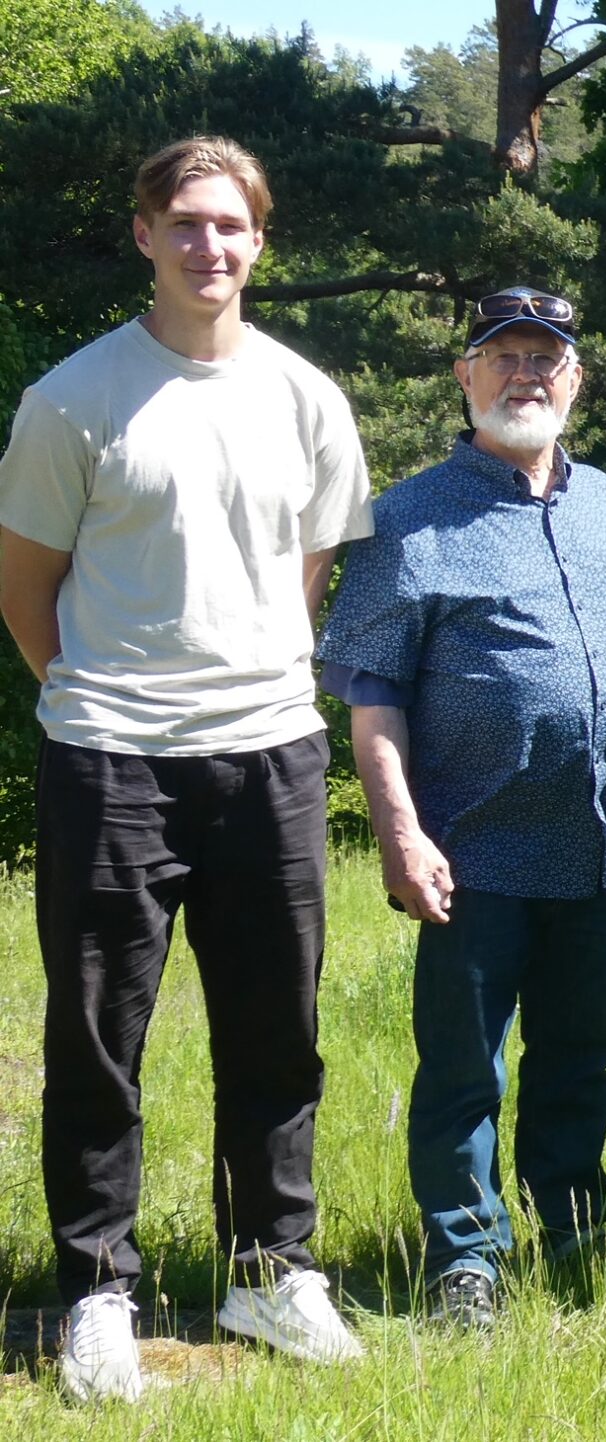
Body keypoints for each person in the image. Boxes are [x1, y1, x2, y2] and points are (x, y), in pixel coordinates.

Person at [0, 136, 371, 1403]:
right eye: (186, 222)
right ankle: (96, 1286)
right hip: (110, 755)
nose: (211, 245)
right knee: (101, 1037)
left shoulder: (307, 397)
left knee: (280, 1028)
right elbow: (25, 592)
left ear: (260, 240)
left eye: (233, 224)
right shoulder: (73, 398)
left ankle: (269, 1268)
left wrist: (244, 683)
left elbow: (307, 575)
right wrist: (101, 700)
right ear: (145, 234)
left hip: (270, 749)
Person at [317, 288, 606, 1328]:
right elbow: (372, 689)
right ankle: (465, 1256)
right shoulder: (408, 516)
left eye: (546, 359)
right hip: (471, 847)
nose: (527, 374)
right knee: (466, 1062)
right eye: (502, 356)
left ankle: (572, 1228)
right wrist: (399, 831)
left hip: (602, 842)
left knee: (580, 1049)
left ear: (576, 382)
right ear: (463, 376)